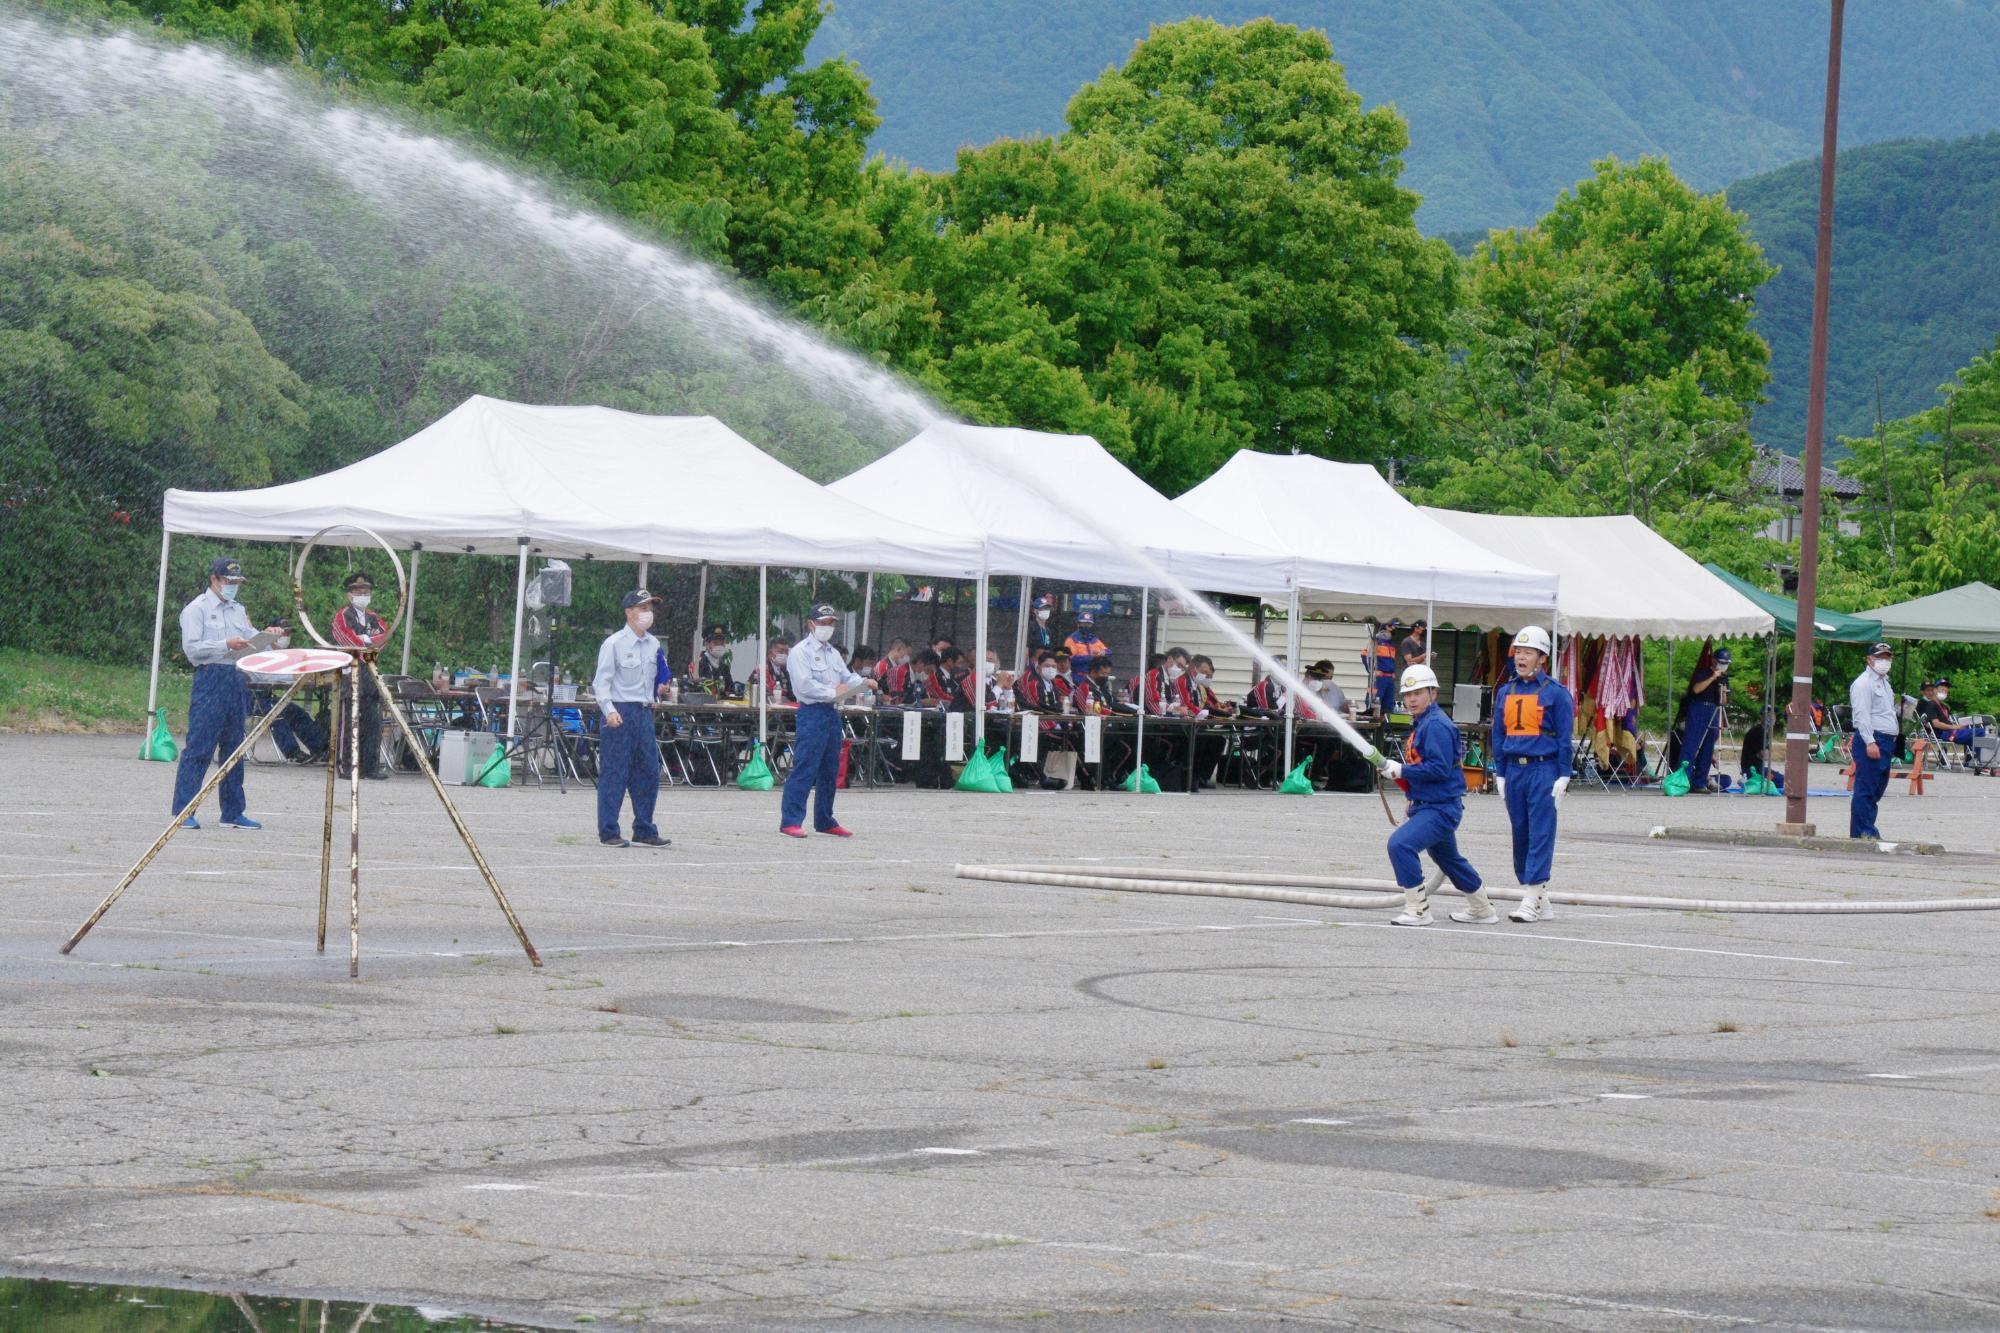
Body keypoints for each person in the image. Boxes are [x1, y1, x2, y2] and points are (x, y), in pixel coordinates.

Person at [170, 557, 286, 830]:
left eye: (237, 582)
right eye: (229, 581)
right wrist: (225, 644)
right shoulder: (195, 609)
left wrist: (269, 636)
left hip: (236, 676)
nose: (233, 587)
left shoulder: (237, 610)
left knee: (234, 747)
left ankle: (232, 812)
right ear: (215, 580)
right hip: (210, 676)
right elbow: (192, 650)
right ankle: (184, 811)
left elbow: (251, 642)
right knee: (200, 746)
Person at [1381, 665, 1490, 926]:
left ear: (1432, 692)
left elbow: (1439, 768)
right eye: (1408, 694)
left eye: (1418, 693)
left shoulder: (1436, 725)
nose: (1412, 699)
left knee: (1400, 845)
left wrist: (1401, 769)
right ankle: (1482, 908)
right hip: (1431, 804)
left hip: (1439, 808)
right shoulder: (1424, 723)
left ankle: (1418, 910)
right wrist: (1405, 783)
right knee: (1448, 858)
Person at [1490, 625, 1574, 923]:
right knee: (1520, 833)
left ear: (1542, 658)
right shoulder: (1505, 691)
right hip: (1514, 770)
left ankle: (1530, 896)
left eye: (1528, 652)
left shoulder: (1557, 694)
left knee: (1540, 832)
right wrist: (1499, 773)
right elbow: (1498, 735)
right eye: (1518, 652)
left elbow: (1565, 738)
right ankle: (1540, 897)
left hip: (1543, 769)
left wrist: (1564, 775)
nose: (1521, 657)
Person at [780, 603, 874, 837]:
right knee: (805, 766)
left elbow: (846, 677)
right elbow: (804, 685)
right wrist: (834, 691)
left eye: (831, 623)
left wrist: (863, 683)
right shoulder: (800, 652)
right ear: (811, 624)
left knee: (830, 769)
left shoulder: (832, 653)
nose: (827, 627)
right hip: (812, 712)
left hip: (832, 713)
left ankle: (824, 819)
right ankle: (790, 820)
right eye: (823, 623)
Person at [591, 590, 670, 848]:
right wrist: (609, 710)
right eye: (642, 607)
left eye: (650, 607)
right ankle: (609, 830)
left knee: (648, 771)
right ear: (629, 612)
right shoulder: (614, 643)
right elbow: (601, 683)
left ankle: (644, 828)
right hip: (620, 711)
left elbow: (657, 676)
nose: (648, 613)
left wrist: (661, 689)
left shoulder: (654, 644)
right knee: (615, 773)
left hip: (644, 710)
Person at [328, 571, 392, 779]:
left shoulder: (374, 617)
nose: (362, 594)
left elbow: (385, 636)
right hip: (349, 671)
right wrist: (368, 641)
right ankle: (346, 765)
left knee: (373, 721)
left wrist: (367, 642)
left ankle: (370, 766)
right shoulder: (342, 616)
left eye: (366, 591)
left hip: (369, 671)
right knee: (349, 721)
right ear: (349, 594)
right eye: (358, 591)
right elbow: (347, 641)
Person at [1848, 642, 1899, 841]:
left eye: (1887, 657)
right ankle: (1862, 832)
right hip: (1873, 738)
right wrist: (1870, 741)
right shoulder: (1863, 683)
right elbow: (1862, 715)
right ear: (1869, 659)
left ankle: (1867, 828)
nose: (1884, 661)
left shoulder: (1885, 682)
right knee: (1866, 787)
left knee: (1877, 788)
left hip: (1885, 740)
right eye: (1880, 657)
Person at [1681, 645, 1730, 792]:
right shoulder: (1703, 672)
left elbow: (1724, 702)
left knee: (1708, 748)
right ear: (1714, 660)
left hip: (1714, 710)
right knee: (1691, 745)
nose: (1723, 665)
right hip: (1698, 707)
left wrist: (1723, 691)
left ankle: (1700, 781)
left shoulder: (1724, 678)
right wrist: (1713, 677)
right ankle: (1683, 779)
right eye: (1721, 661)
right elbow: (1696, 689)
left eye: (1726, 663)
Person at [1919, 677, 1988, 747]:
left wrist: (1960, 726)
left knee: (1977, 735)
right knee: (1983, 731)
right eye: (1942, 690)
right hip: (1945, 734)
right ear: (1935, 690)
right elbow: (1936, 724)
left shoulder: (1944, 707)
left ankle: (1973, 756)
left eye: (1946, 691)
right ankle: (1978, 756)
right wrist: (1954, 727)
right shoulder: (1931, 704)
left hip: (1952, 732)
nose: (1944, 692)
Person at [687, 625, 736, 696]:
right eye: (715, 643)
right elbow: (694, 690)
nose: (719, 646)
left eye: (722, 643)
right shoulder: (698, 665)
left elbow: (731, 690)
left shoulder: (724, 667)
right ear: (707, 645)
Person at [1364, 624, 1399, 716]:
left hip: (1389, 679)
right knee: (1374, 704)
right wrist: (1372, 671)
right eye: (1392, 626)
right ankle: (1372, 728)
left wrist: (1393, 672)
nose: (1394, 628)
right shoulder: (1376, 641)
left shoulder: (1391, 644)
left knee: (1388, 706)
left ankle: (1385, 729)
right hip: (1379, 679)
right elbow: (1365, 655)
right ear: (1386, 626)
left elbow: (1390, 661)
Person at [748, 637, 793, 704]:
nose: (784, 654)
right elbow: (757, 693)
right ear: (770, 652)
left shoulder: (786, 671)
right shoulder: (762, 669)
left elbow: (791, 693)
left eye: (786, 652)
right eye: (781, 651)